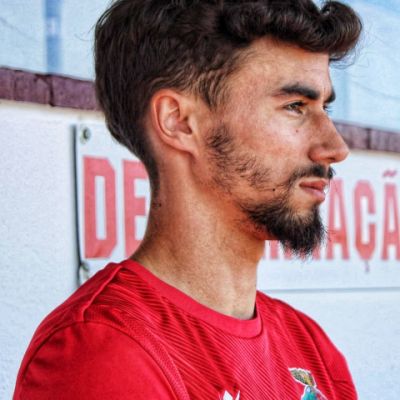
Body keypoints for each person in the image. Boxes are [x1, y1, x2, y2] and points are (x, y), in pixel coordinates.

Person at [14, 1, 362, 399]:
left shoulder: (310, 346)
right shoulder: (102, 351)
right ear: (179, 121)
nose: (335, 147)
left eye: (324, 107)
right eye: (295, 107)